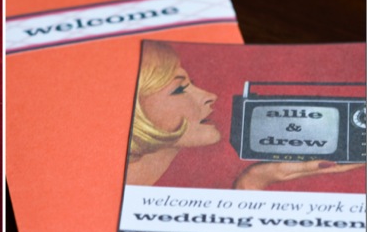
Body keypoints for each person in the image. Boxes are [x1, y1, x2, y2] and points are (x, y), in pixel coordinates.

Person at [126, 41, 361, 189]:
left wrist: (253, 181)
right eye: (179, 89)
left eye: (193, 84)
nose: (209, 96)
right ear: (134, 109)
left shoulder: (198, 171)